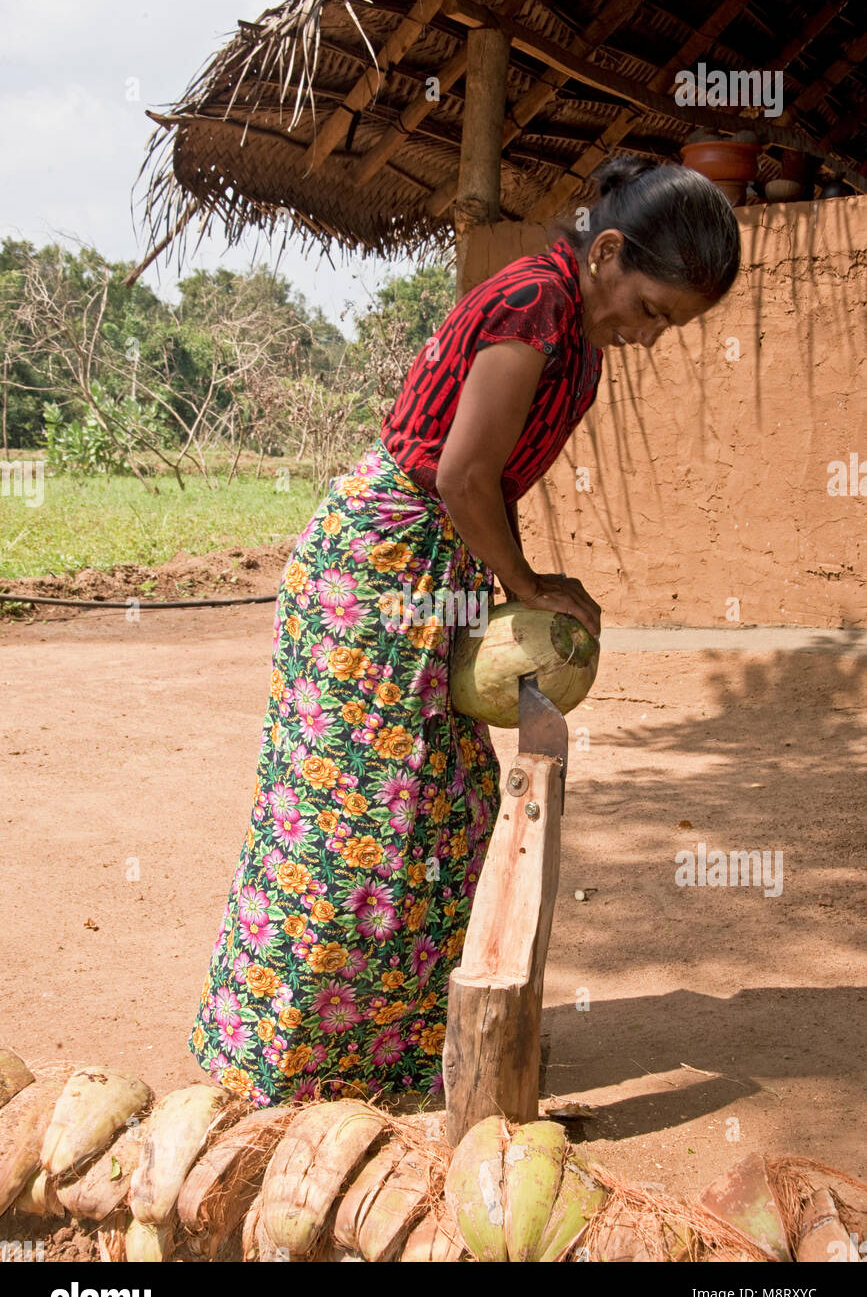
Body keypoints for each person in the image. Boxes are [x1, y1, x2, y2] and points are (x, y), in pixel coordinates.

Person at [188, 156, 741, 1107]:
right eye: (650, 309)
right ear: (607, 252)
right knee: (354, 820)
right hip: (378, 568)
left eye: (671, 327)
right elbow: (461, 475)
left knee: (439, 817)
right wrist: (527, 583)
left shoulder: (573, 326)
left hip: (430, 571)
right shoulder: (533, 305)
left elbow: (479, 485)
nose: (650, 337)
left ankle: (391, 1055)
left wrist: (513, 583)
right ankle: (273, 1064)